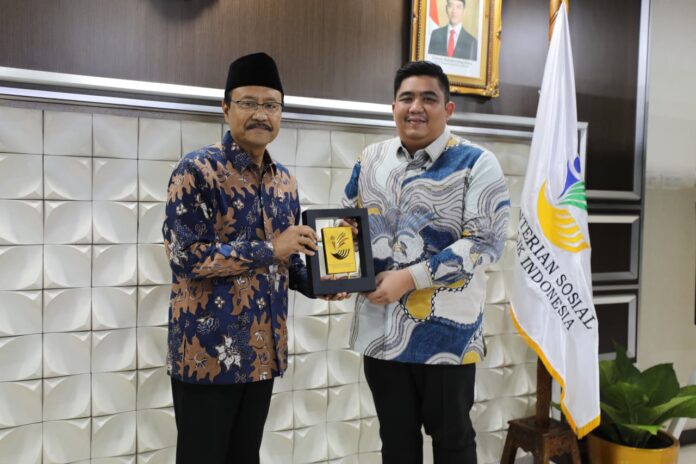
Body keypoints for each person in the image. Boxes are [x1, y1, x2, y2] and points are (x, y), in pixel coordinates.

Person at [162, 52, 346, 464]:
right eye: (248, 103)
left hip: (263, 353)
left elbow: (286, 262)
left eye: (271, 105)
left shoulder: (285, 182)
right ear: (226, 108)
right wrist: (271, 248)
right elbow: (186, 257)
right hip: (207, 354)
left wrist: (320, 284)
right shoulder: (196, 170)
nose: (261, 114)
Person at [342, 61, 510, 463]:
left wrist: (408, 279)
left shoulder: (476, 162)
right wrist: (340, 274)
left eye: (428, 98)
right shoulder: (370, 159)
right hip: (381, 336)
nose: (415, 107)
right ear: (393, 107)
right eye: (406, 98)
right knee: (396, 444)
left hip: (446, 338)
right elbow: (346, 225)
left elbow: (484, 242)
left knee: (453, 443)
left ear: (448, 108)